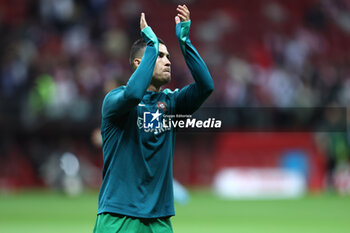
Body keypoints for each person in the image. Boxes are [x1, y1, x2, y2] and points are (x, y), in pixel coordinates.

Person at [93, 5, 214, 233]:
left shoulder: (171, 103)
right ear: (140, 64)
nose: (167, 61)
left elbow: (206, 86)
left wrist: (184, 40)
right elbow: (133, 94)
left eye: (168, 56)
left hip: (159, 219)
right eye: (160, 56)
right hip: (119, 216)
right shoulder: (114, 100)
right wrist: (150, 44)